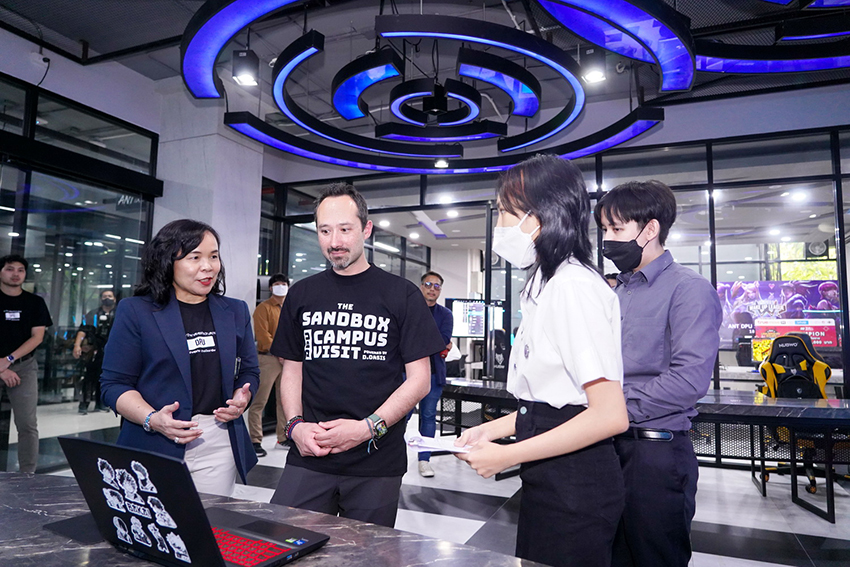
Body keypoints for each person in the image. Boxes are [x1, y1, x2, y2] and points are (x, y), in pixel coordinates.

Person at [455, 155, 629, 567]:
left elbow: (608, 415)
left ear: (537, 217)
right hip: (550, 475)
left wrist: (506, 455)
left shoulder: (572, 286)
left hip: (576, 483)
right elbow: (550, 403)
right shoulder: (546, 283)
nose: (499, 225)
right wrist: (490, 431)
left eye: (505, 213)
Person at [269, 183, 445, 528]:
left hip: (376, 460)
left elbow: (420, 380)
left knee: (365, 553)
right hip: (310, 453)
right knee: (283, 540)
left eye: (345, 229)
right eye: (325, 231)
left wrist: (367, 428)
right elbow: (292, 370)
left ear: (366, 229)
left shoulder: (402, 294)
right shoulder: (302, 293)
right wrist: (294, 427)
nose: (334, 241)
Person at [595, 180, 722, 567]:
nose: (607, 239)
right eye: (604, 229)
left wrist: (611, 408)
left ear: (649, 229)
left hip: (655, 454)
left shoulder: (689, 289)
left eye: (616, 229)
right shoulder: (617, 292)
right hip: (608, 447)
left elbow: (689, 380)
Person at [100, 220, 260, 497]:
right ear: (167, 262)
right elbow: (113, 384)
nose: (208, 266)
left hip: (218, 440)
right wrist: (153, 419)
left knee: (210, 520)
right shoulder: (136, 311)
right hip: (154, 440)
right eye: (194, 257)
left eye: (213, 256)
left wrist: (242, 398)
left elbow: (250, 371)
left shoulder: (235, 311)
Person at [0, 254, 52, 474]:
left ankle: (28, 475)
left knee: (27, 425)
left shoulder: (34, 303)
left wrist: (8, 360)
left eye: (20, 270)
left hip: (24, 367)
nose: (15, 274)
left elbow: (37, 337)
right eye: (10, 269)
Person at [415, 270, 453, 478]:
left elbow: (443, 340)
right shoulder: (410, 310)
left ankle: (424, 460)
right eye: (428, 285)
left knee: (428, 416)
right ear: (421, 287)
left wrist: (436, 343)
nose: (432, 289)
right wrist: (438, 343)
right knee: (400, 416)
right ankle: (393, 457)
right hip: (407, 373)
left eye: (437, 286)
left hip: (433, 373)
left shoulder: (445, 314)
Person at [249, 273, 290, 457]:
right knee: (260, 401)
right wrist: (281, 352)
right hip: (268, 359)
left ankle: (283, 437)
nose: (281, 286)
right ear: (271, 288)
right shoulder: (263, 308)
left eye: (284, 284)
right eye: (277, 284)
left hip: (288, 360)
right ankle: (255, 440)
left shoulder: (290, 308)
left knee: (284, 401)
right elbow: (263, 336)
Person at [73, 289, 117, 414]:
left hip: (112, 350)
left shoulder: (119, 313)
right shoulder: (93, 314)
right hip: (94, 349)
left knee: (105, 377)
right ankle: (84, 404)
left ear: (114, 299)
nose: (107, 298)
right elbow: (83, 330)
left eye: (109, 296)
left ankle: (101, 403)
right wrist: (77, 345)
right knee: (89, 377)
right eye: (104, 296)